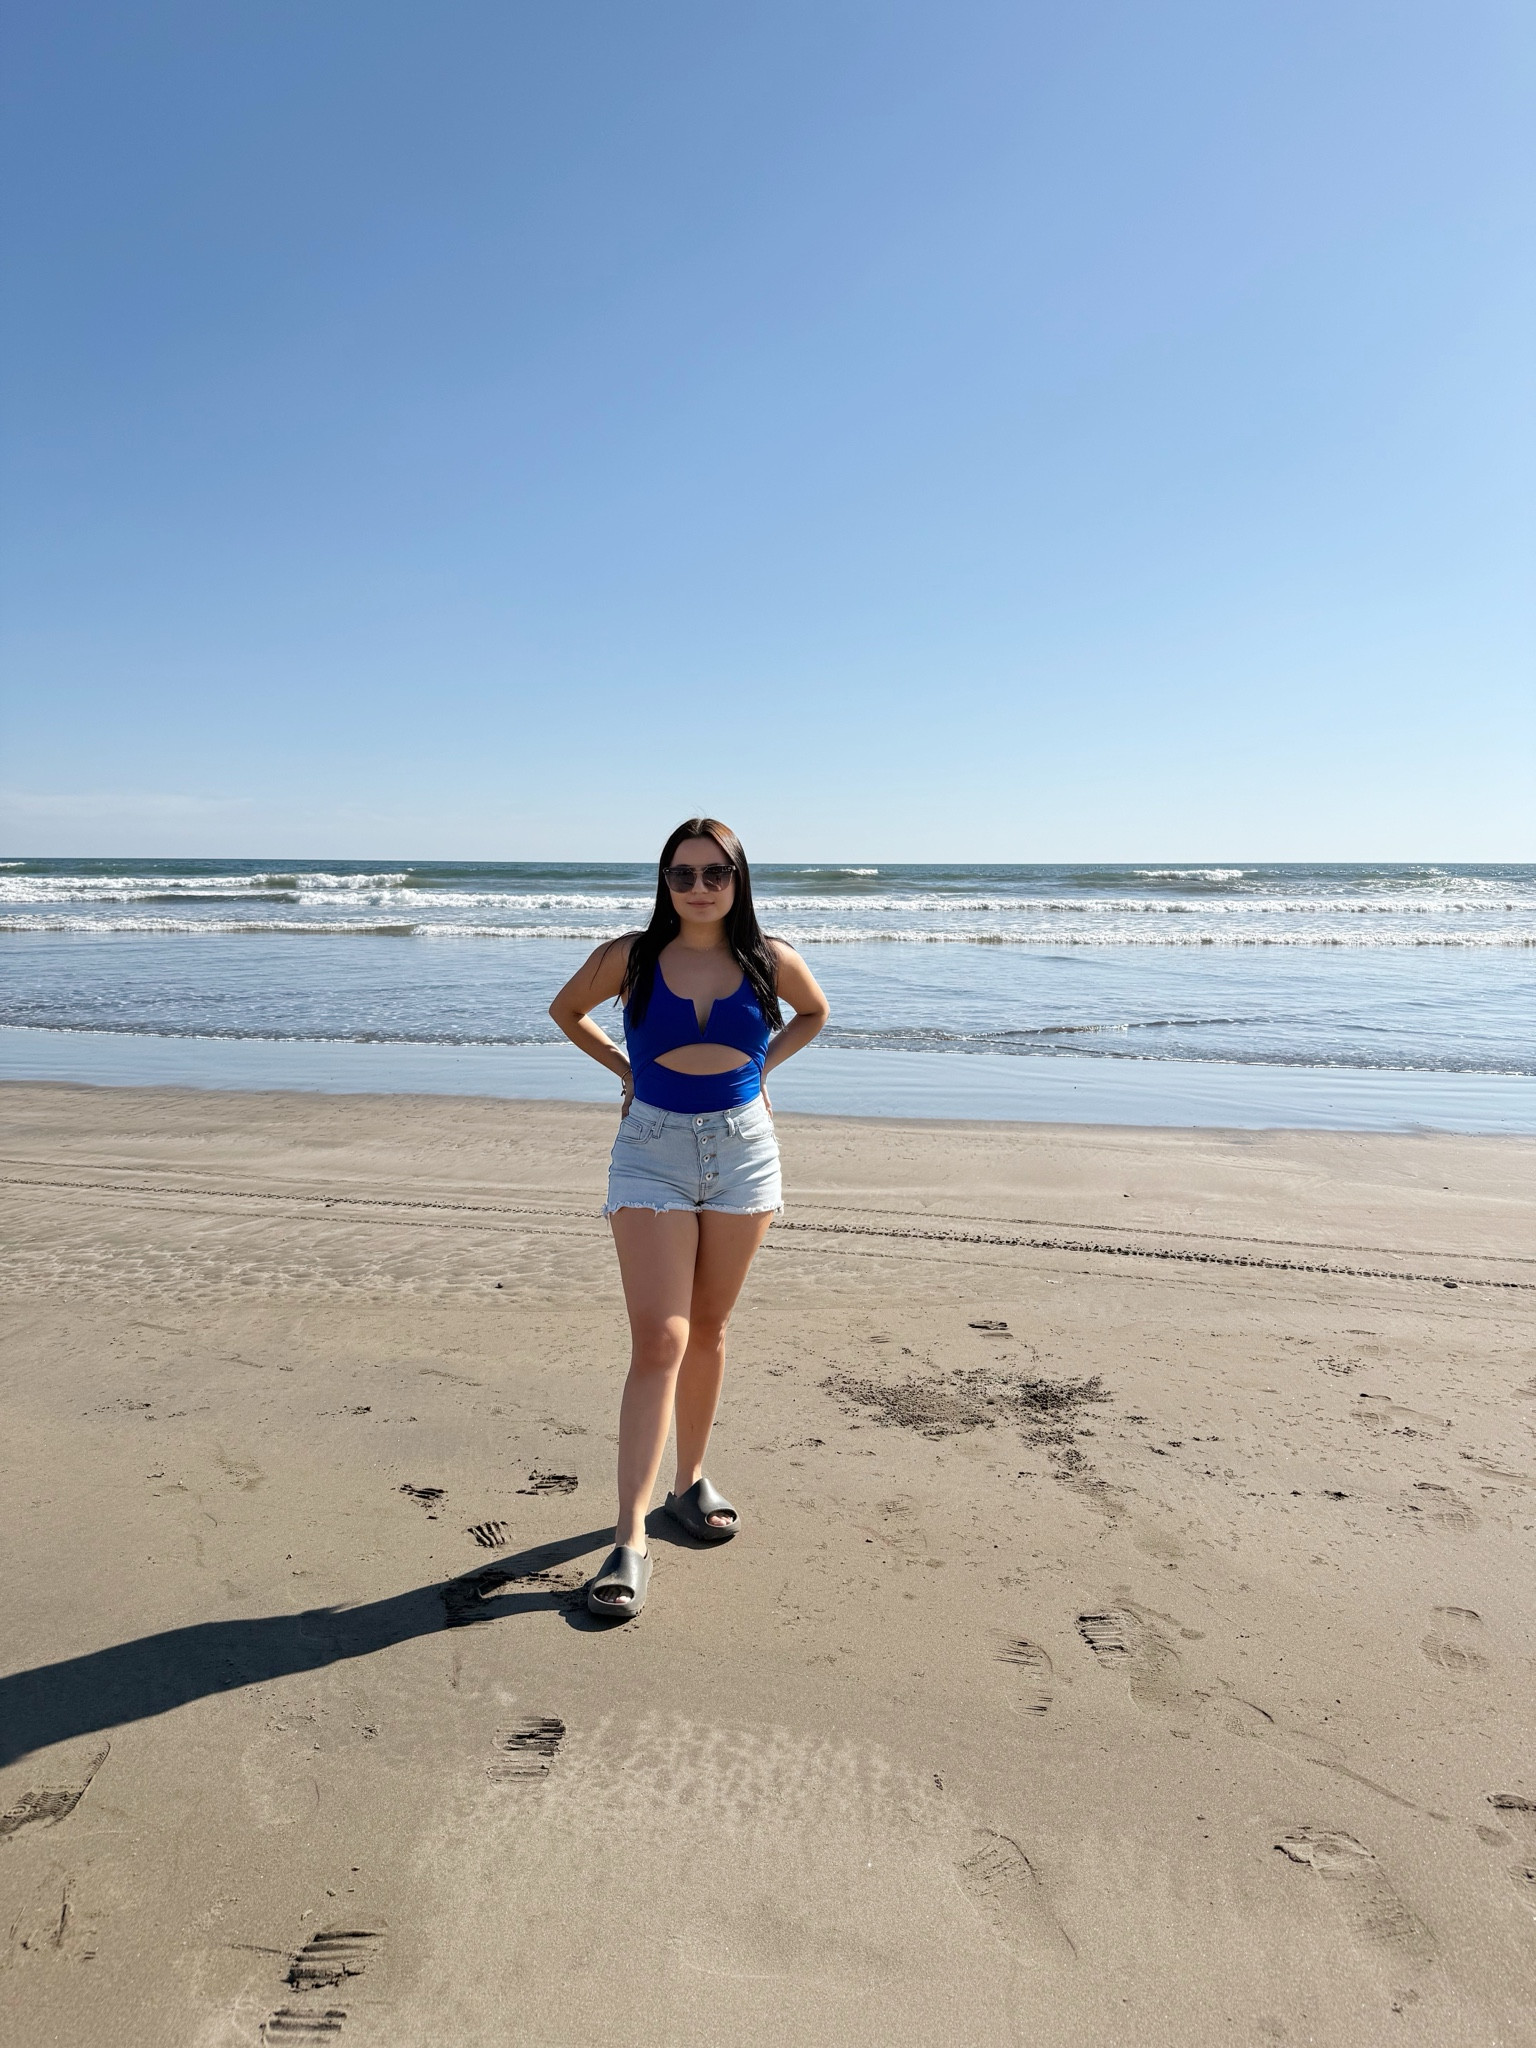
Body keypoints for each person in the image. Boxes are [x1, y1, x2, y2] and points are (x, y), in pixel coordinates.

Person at [549, 817, 830, 1620]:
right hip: (651, 1152)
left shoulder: (769, 960)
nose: (698, 887)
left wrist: (760, 1069)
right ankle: (630, 1537)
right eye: (682, 874)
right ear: (662, 881)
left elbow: (814, 1014)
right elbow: (567, 1010)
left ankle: (689, 1481)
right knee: (661, 1338)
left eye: (715, 873)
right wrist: (625, 1069)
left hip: (744, 1150)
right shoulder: (628, 958)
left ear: (739, 880)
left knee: (707, 1327)